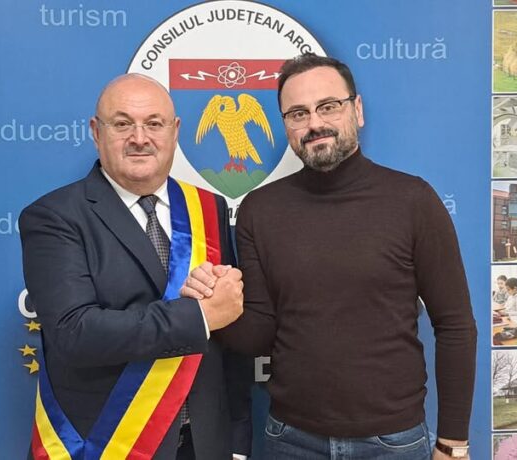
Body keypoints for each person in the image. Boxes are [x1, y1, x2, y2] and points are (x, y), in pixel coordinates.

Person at [183, 54, 477, 459]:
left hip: (393, 442)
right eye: (298, 113)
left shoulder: (413, 200)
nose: (314, 123)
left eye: (328, 106)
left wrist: (453, 443)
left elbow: (455, 325)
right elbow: (258, 334)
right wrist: (213, 308)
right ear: (285, 124)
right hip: (291, 440)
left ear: (357, 110)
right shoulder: (259, 210)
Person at [19, 74, 252, 460]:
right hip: (108, 445)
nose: (139, 138)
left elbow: (228, 339)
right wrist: (198, 316)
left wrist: (238, 441)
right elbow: (75, 332)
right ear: (96, 131)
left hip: (204, 445)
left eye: (154, 123)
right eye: (122, 123)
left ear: (175, 131)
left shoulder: (209, 206)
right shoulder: (54, 216)